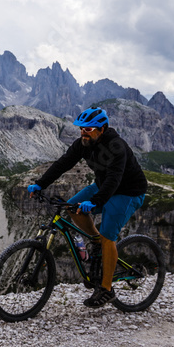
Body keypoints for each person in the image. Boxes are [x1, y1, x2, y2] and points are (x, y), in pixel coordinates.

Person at [27, 107, 148, 308]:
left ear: (102, 128)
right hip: (103, 186)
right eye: (81, 129)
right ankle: (96, 241)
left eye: (88, 129)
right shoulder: (83, 144)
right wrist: (41, 183)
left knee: (109, 236)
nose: (83, 132)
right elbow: (63, 164)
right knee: (72, 208)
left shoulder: (117, 146)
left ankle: (106, 289)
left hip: (128, 191)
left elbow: (114, 178)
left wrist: (95, 202)